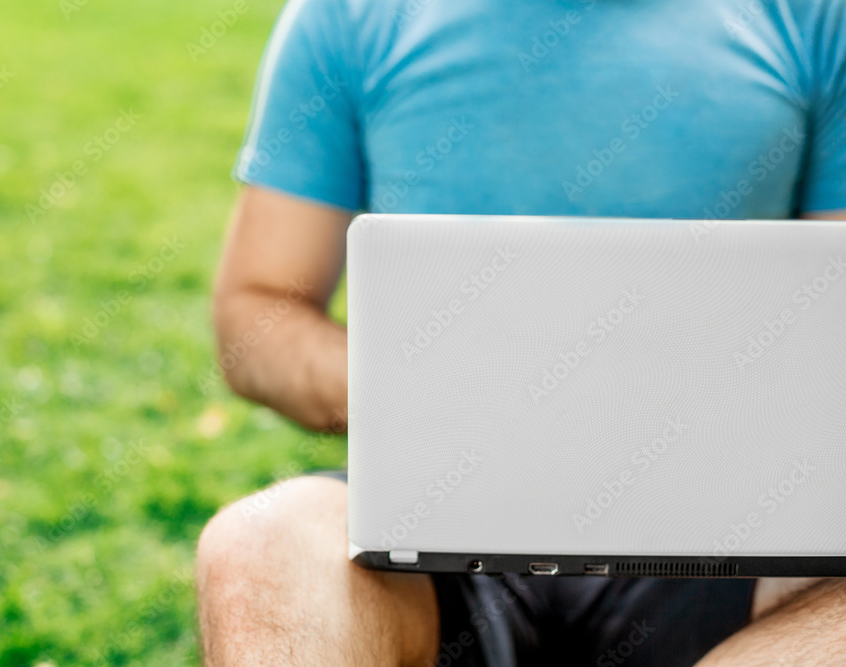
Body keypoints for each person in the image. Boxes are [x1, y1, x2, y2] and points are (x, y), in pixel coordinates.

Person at [196, 0, 846, 664]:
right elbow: (258, 311)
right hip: (437, 522)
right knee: (260, 545)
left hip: (729, 532)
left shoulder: (816, 17)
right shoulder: (350, 14)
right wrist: (431, 404)